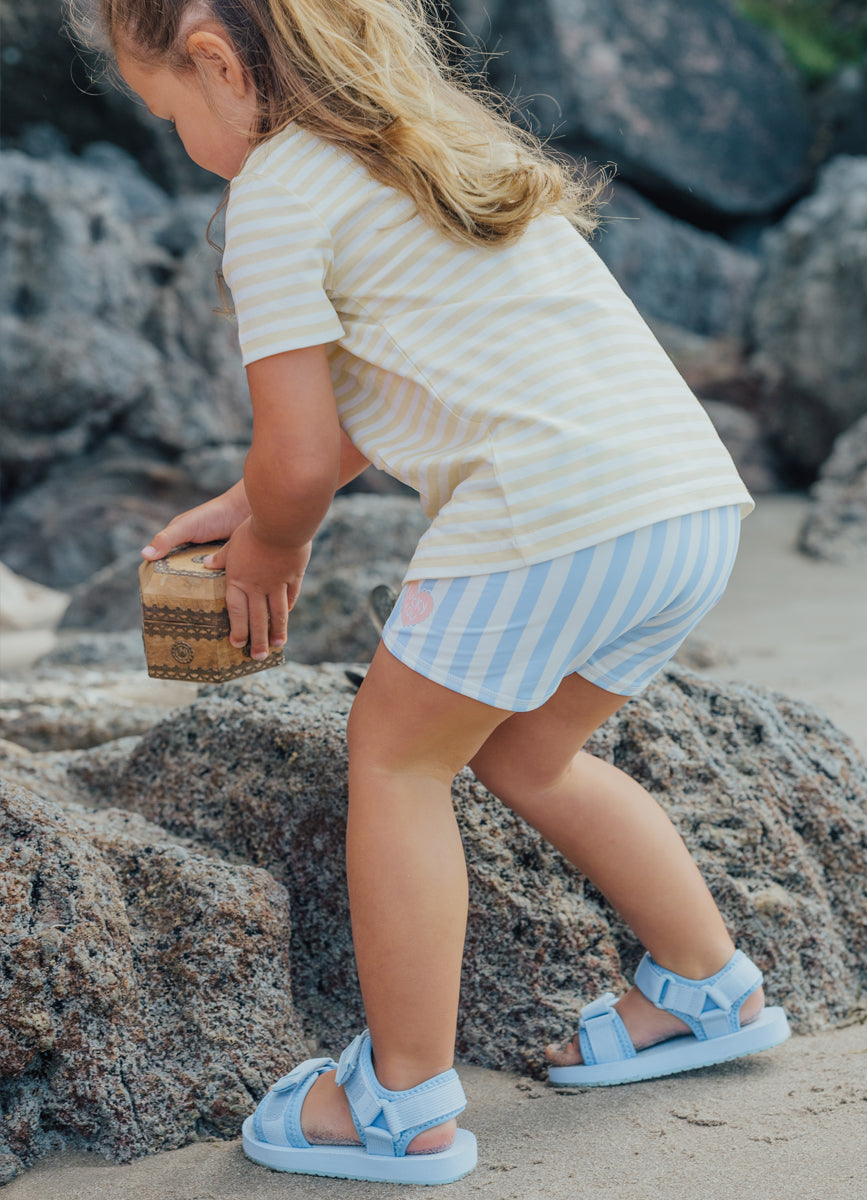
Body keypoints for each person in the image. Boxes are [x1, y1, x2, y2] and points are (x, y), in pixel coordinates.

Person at [75, 0, 791, 1183]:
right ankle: (706, 986)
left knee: (398, 761)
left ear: (212, 62)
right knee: (529, 757)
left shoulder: (275, 192)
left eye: (168, 113)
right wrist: (253, 508)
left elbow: (301, 457)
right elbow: (425, 380)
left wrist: (273, 543)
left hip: (547, 516)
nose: (180, 141)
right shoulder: (437, 144)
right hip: (683, 507)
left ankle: (400, 1101)